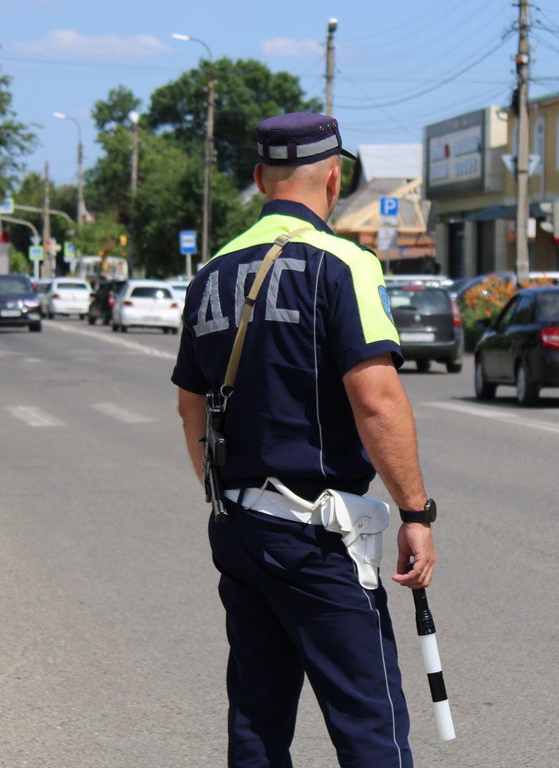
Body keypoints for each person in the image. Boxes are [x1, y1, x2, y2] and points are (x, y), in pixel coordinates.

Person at [172, 111, 437, 768]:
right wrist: (414, 513)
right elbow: (376, 400)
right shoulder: (344, 264)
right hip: (319, 538)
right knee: (369, 722)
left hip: (237, 527)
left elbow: (190, 408)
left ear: (261, 178)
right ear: (334, 176)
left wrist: (224, 494)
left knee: (258, 722)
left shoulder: (210, 274)